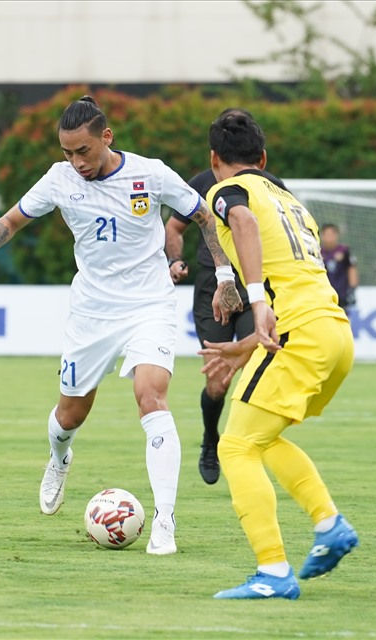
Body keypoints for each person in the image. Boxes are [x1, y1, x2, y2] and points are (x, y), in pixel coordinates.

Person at [0, 96, 242, 555]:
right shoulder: (59, 179)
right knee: (70, 415)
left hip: (149, 303)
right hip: (92, 311)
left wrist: (226, 276)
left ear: (106, 137)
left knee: (151, 395)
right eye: (68, 152)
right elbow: (11, 220)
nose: (77, 162)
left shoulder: (150, 174)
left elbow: (203, 215)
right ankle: (59, 457)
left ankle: (165, 521)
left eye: (83, 151)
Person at [198, 110, 358, 599]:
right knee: (262, 439)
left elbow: (242, 221)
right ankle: (329, 524)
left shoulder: (228, 191)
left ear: (214, 159)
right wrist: (244, 346)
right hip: (334, 333)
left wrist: (255, 301)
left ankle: (272, 573)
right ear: (263, 159)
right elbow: (293, 283)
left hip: (297, 334)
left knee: (235, 447)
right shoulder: (291, 202)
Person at [165, 152, 253, 485]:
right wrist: (174, 260)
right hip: (209, 287)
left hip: (252, 286)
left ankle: (245, 446)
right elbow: (174, 227)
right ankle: (210, 440)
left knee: (256, 367)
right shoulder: (202, 182)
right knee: (217, 382)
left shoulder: (263, 186)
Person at [320, 223, 359, 311]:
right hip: (323, 296)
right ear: (322, 236)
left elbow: (351, 269)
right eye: (327, 234)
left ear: (336, 235)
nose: (329, 238)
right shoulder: (317, 252)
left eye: (332, 234)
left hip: (341, 296)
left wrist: (352, 290)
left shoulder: (344, 251)